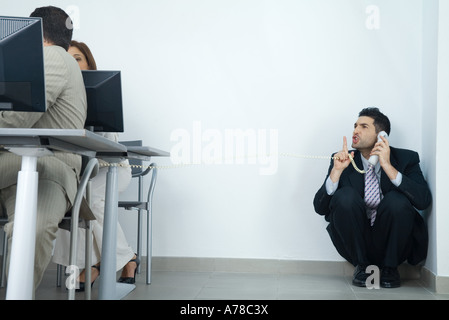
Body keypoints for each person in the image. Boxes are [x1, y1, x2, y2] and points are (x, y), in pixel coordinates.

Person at [0, 6, 87, 292]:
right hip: (27, 165)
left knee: (28, 231)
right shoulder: (61, 61)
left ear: (33, 30)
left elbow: (14, 121)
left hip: (44, 167)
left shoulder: (50, 57)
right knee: (26, 231)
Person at [52, 40, 140, 290]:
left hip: (110, 168)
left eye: (78, 58)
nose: (72, 63)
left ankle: (99, 265)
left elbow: (109, 145)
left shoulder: (96, 92)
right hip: (81, 171)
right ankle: (123, 259)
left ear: (89, 64)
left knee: (90, 200)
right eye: (68, 59)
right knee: (70, 197)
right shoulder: (55, 95)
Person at [313, 107, 431, 288]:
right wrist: (336, 172)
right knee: (345, 196)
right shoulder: (344, 159)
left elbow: (423, 201)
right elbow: (320, 208)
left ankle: (390, 269)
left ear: (381, 135)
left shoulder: (406, 158)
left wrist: (387, 166)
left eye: (363, 126)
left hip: (393, 242)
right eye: (355, 126)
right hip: (356, 243)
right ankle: (363, 267)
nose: (355, 131)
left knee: (396, 200)